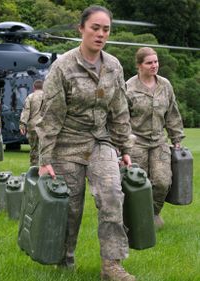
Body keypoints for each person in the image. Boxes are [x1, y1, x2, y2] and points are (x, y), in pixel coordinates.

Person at [36, 5, 136, 281]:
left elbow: (119, 110)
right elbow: (50, 116)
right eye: (95, 27)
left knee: (112, 196)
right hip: (67, 143)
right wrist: (44, 161)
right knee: (71, 207)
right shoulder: (63, 67)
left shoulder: (114, 66)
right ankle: (64, 261)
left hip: (100, 141)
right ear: (81, 29)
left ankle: (111, 265)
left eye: (106, 29)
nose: (101, 34)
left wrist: (125, 148)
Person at [125, 47, 184, 229]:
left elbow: (172, 113)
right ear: (139, 65)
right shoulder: (129, 87)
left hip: (159, 142)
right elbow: (121, 118)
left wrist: (176, 138)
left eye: (156, 61)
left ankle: (152, 214)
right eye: (149, 62)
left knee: (162, 181)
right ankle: (134, 220)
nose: (154, 65)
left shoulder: (165, 85)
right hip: (136, 143)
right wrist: (123, 146)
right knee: (137, 185)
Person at [19, 79, 44, 166]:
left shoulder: (30, 97)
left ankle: (33, 168)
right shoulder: (47, 97)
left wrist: (22, 124)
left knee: (34, 149)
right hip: (44, 127)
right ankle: (44, 168)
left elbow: (26, 111)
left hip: (33, 127)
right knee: (44, 149)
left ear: (34, 88)